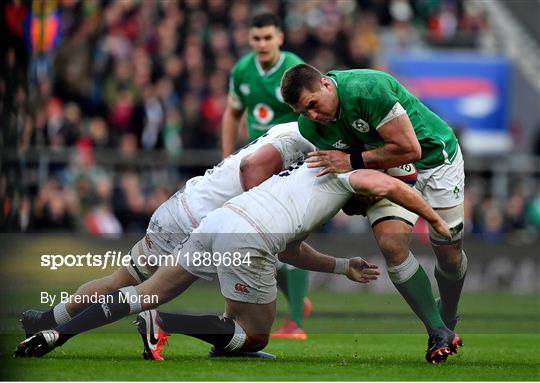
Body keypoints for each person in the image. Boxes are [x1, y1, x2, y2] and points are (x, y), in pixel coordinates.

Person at [15, 153, 455, 363]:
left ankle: (58, 336)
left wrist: (342, 266)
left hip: (218, 222)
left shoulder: (303, 172)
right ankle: (167, 323)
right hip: (249, 238)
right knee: (256, 336)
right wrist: (432, 218)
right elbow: (395, 188)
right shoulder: (347, 174)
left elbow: (291, 248)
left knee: (143, 292)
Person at [19, 122, 314, 345]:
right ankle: (59, 333)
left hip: (185, 204)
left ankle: (48, 320)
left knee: (120, 282)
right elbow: (250, 168)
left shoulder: (289, 127)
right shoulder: (306, 139)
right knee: (144, 294)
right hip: (201, 220)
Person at [280, 64, 467, 363]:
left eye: (313, 105)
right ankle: (437, 331)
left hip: (436, 160)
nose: (312, 116)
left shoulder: (367, 89)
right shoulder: (311, 128)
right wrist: (356, 196)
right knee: (391, 245)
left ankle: (448, 314)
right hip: (387, 172)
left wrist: (352, 160)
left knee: (449, 252)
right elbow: (343, 171)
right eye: (304, 111)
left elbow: (410, 149)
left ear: (326, 85)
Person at [221, 13, 309, 339]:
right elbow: (232, 114)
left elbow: (311, 114)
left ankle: (296, 322)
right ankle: (298, 299)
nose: (261, 44)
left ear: (280, 38)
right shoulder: (242, 70)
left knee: (290, 236)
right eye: (256, 38)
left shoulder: (294, 69)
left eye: (267, 38)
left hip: (292, 163)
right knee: (262, 239)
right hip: (257, 165)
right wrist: (229, 156)